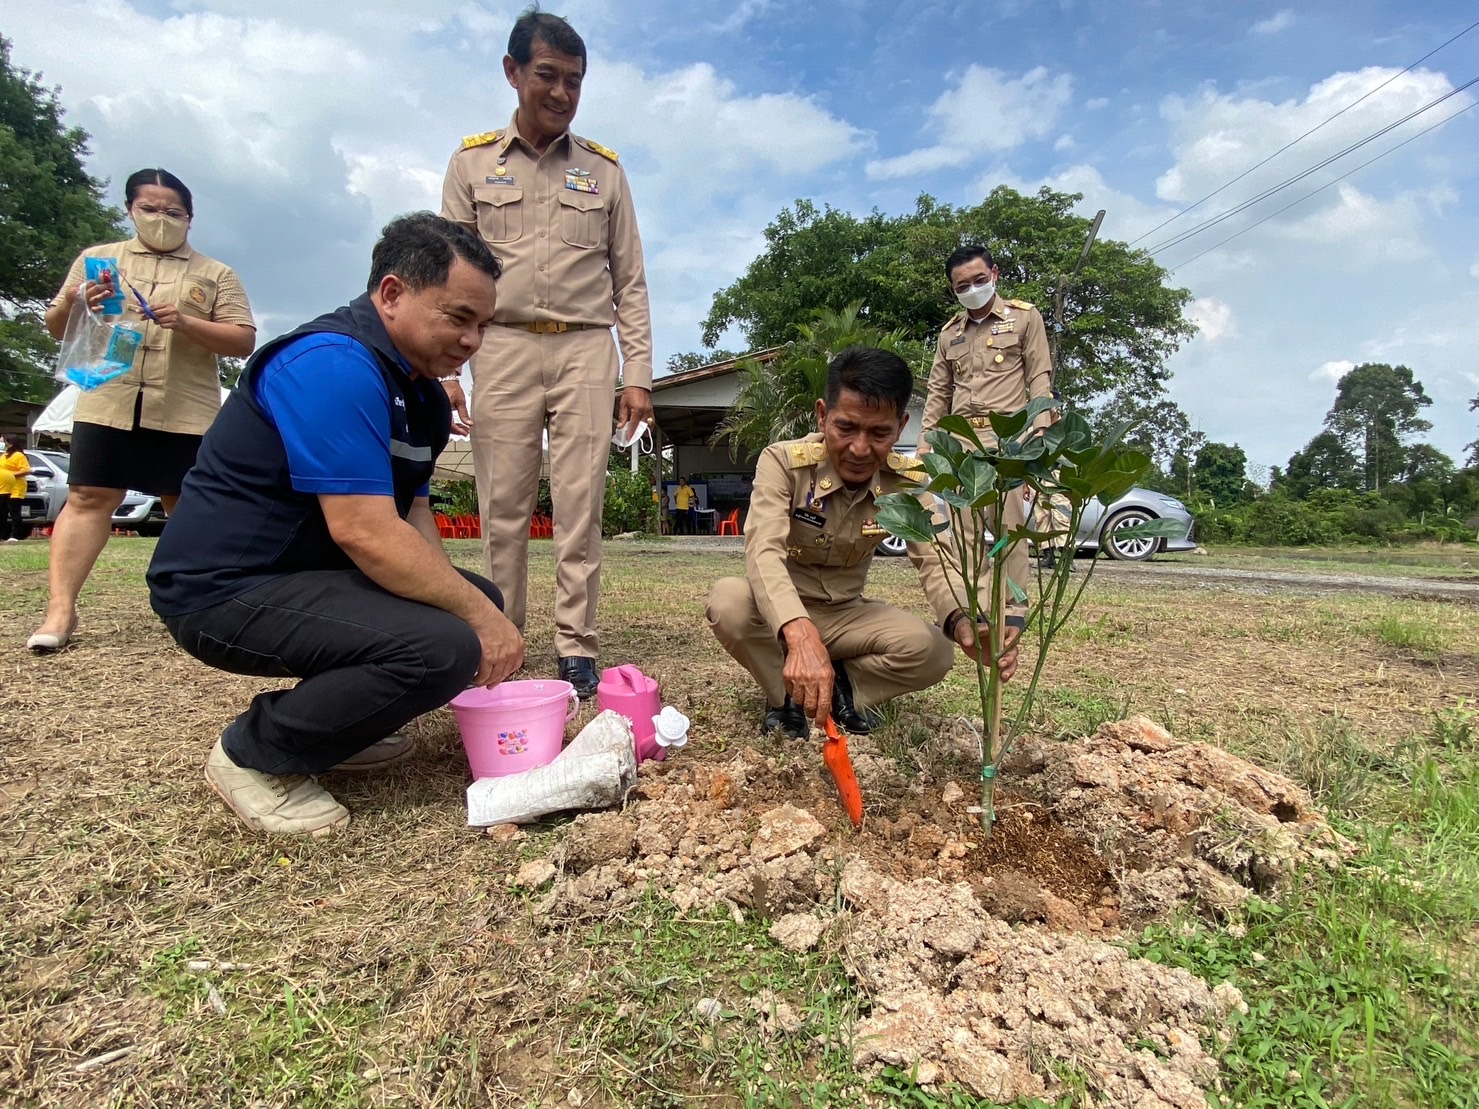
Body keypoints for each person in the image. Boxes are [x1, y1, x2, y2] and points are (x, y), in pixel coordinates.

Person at [147, 213, 523, 836]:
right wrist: (478, 624)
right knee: (444, 643)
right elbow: (364, 531)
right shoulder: (330, 365)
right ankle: (254, 755)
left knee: (470, 602)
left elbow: (413, 513)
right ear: (392, 293)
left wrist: (469, 606)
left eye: (483, 324)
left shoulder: (423, 395)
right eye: (459, 317)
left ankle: (340, 727)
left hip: (300, 576)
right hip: (222, 589)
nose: (472, 341)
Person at [439, 8, 654, 699]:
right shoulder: (472, 163)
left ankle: (576, 644)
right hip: (500, 345)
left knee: (580, 503)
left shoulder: (604, 171)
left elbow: (630, 280)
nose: (562, 93)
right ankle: (500, 634)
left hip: (586, 347)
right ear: (513, 73)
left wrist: (638, 374)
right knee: (501, 503)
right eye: (547, 76)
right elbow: (445, 277)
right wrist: (447, 368)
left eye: (575, 81)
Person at [707, 346, 1020, 740]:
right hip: (781, 614)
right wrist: (798, 632)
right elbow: (763, 551)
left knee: (934, 651)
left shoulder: (906, 481)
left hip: (847, 616)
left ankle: (846, 689)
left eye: (879, 433)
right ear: (822, 415)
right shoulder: (784, 463)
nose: (859, 448)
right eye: (846, 428)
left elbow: (935, 557)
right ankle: (785, 698)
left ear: (901, 426)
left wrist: (964, 621)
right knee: (729, 601)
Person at [31, 168, 257, 652]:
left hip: (184, 406)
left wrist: (189, 323)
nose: (161, 218)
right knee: (88, 496)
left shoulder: (216, 273)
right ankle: (60, 610)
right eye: (149, 209)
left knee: (189, 503)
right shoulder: (98, 261)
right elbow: (56, 328)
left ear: (190, 218)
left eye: (172, 211)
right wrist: (74, 301)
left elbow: (243, 340)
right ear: (130, 211)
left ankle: (202, 607)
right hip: (107, 398)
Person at [920, 244, 1053, 626]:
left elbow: (1039, 375)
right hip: (962, 442)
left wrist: (1040, 431)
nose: (972, 289)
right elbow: (939, 391)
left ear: (994, 274)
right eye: (962, 286)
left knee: (1009, 529)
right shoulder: (949, 334)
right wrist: (927, 441)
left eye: (979, 280)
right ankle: (977, 608)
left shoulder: (1024, 317)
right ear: (953, 290)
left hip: (1008, 440)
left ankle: (1013, 609)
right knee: (966, 531)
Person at [1029, 390, 1075, 571]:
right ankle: (1047, 554)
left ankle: (1066, 556)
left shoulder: (1065, 426)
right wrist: (1025, 484)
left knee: (1061, 514)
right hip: (1037, 475)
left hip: (1058, 474)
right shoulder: (1033, 428)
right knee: (1041, 516)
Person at [0, 441, 30, 542]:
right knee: (2, 512)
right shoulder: (4, 455)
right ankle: (2, 535)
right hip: (4, 488)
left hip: (16, 488)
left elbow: (26, 470)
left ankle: (15, 535)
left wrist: (11, 474)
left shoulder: (18, 455)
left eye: (5, 442)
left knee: (14, 512)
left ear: (11, 444)